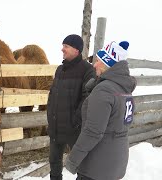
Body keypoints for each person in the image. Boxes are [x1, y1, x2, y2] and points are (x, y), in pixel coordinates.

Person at [65, 41, 137, 180]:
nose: (95, 64)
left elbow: (93, 132)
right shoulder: (124, 89)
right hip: (116, 163)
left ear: (108, 64)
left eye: (98, 61)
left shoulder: (104, 90)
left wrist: (72, 160)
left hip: (96, 167)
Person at [47, 34, 95, 180]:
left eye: (66, 46)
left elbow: (87, 99)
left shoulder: (87, 70)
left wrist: (75, 120)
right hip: (55, 126)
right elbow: (53, 94)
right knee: (54, 162)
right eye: (63, 46)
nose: (62, 49)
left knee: (80, 164)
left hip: (74, 129)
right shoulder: (60, 70)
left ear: (76, 50)